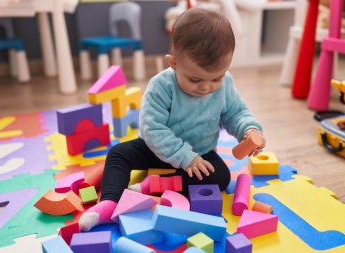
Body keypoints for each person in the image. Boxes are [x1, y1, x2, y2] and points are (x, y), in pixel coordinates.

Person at [79, 8, 265, 231]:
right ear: (173, 63)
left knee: (222, 176)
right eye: (195, 79)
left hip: (201, 153)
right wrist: (185, 157)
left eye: (216, 78)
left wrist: (249, 129)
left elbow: (235, 112)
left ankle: (153, 185)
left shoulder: (225, 84)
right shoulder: (161, 86)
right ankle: (109, 202)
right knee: (118, 154)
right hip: (156, 149)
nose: (206, 87)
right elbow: (153, 129)